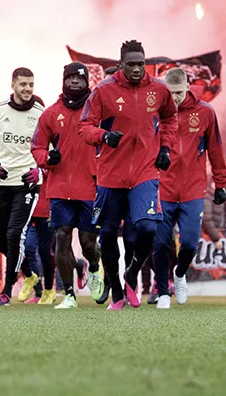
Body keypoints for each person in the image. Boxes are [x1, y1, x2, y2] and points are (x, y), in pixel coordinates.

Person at [79, 40, 178, 309]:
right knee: (109, 235)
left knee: (147, 228)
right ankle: (118, 293)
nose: (137, 69)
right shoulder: (103, 91)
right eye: (131, 64)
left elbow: (170, 118)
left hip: (145, 172)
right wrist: (104, 136)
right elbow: (85, 127)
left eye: (141, 64)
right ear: (121, 64)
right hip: (111, 174)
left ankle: (132, 272)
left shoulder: (158, 89)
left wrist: (166, 147)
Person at [30, 62, 106, 309]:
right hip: (60, 186)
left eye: (79, 78)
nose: (74, 82)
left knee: (88, 243)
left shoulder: (98, 112)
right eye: (70, 77)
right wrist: (46, 159)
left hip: (90, 186)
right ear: (64, 81)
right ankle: (70, 295)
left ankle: (94, 267)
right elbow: (37, 147)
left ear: (87, 82)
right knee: (61, 237)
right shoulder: (50, 114)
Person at [152, 68, 226, 308]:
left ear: (187, 88)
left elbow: (215, 149)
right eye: (170, 93)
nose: (175, 99)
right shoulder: (155, 112)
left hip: (193, 190)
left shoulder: (204, 112)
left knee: (190, 242)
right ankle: (163, 292)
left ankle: (180, 274)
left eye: (179, 93)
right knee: (161, 242)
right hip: (163, 187)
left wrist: (221, 183)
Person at [0, 67, 47, 305]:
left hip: (27, 183)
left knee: (14, 234)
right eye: (23, 84)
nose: (28, 89)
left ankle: (6, 290)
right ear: (13, 85)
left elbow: (50, 151)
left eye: (31, 84)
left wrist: (39, 170)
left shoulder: (42, 114)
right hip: (1, 181)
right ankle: (29, 274)